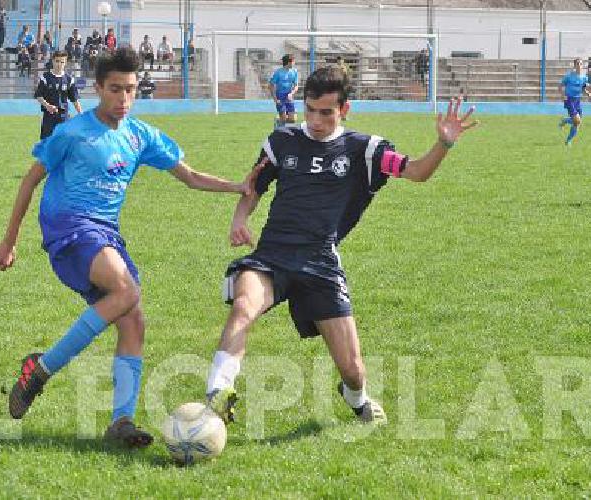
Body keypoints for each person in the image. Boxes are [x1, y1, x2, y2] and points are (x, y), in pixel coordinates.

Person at [0, 47, 255, 448]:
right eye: (115, 89)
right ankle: (41, 370)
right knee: (128, 291)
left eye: (131, 89)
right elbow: (30, 181)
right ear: (98, 88)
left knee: (133, 321)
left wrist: (237, 186)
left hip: (105, 235)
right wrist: (9, 241)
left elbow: (190, 176)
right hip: (69, 230)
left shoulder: (140, 135)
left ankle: (121, 422)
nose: (124, 98)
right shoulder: (72, 132)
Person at [203, 66, 479, 428]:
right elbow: (252, 186)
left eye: (326, 112)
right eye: (311, 110)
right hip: (272, 255)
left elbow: (417, 172)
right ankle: (218, 390)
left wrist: (444, 143)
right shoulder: (280, 141)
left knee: (353, 370)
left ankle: (355, 396)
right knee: (244, 305)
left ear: (345, 110)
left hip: (320, 263)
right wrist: (240, 219)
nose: (316, 120)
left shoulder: (367, 150)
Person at [34, 50, 84, 139]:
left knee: (63, 143)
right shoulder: (45, 77)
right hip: (49, 116)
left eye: (62, 62)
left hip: (63, 116)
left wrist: (81, 114)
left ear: (65, 63)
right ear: (53, 61)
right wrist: (47, 105)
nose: (59, 64)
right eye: (57, 61)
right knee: (47, 142)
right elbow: (39, 95)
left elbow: (75, 100)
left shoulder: (69, 79)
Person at [557, 58, 591, 146]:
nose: (579, 66)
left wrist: (588, 93)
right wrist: (563, 95)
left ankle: (568, 140)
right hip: (569, 99)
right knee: (577, 120)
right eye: (577, 64)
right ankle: (565, 121)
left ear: (582, 66)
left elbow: (583, 88)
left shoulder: (584, 77)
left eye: (581, 64)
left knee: (577, 123)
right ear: (574, 65)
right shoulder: (569, 76)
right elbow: (560, 86)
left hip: (577, 100)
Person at [269, 54, 300, 129]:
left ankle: (288, 134)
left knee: (292, 120)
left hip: (289, 97)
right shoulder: (278, 72)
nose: (294, 63)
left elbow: (296, 86)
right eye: (293, 62)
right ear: (289, 62)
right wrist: (275, 99)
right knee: (283, 119)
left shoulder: (294, 72)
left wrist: (291, 93)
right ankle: (280, 128)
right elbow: (271, 86)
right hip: (280, 96)